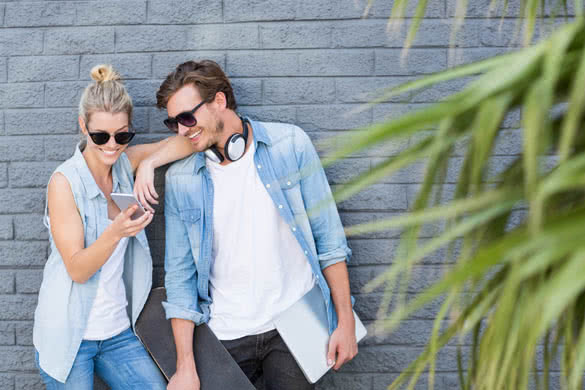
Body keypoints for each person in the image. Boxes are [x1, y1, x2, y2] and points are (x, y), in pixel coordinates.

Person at [151, 60, 357, 390]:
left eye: (187, 118)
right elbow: (180, 275)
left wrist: (345, 320)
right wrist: (185, 364)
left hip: (295, 325)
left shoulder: (289, 145)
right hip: (226, 332)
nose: (181, 130)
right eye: (173, 122)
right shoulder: (182, 179)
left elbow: (329, 239)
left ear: (219, 101)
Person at [32, 64, 194, 389]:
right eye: (100, 136)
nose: (111, 145)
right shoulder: (64, 182)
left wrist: (148, 162)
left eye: (122, 135)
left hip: (117, 333)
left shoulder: (124, 163)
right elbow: (78, 269)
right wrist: (115, 232)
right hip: (68, 338)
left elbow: (189, 142)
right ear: (83, 127)